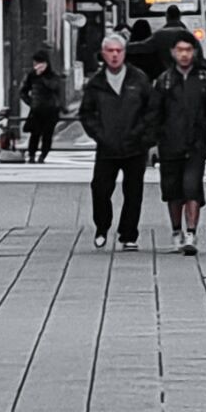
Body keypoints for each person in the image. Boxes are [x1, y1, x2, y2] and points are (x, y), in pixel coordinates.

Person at [72, 28, 162, 249]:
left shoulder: (138, 79)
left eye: (119, 50)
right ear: (103, 54)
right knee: (100, 188)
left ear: (125, 53)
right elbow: (86, 113)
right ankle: (102, 225)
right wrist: (99, 134)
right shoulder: (96, 83)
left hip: (135, 146)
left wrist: (145, 137)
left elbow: (152, 111)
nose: (114, 55)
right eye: (110, 51)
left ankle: (128, 234)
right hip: (107, 146)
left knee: (133, 192)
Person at [158, 41, 206, 253]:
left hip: (196, 141)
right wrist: (152, 142)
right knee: (172, 190)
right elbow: (155, 112)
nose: (184, 54)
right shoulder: (165, 80)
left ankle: (191, 232)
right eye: (180, 50)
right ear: (172, 53)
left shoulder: (204, 80)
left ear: (194, 52)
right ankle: (176, 230)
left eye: (188, 50)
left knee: (192, 186)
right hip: (169, 142)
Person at [16, 57, 66, 164]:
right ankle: (31, 155)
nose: (38, 66)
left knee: (47, 135)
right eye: (36, 63)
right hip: (37, 111)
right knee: (35, 134)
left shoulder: (53, 76)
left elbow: (55, 87)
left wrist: (42, 76)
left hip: (51, 110)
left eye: (41, 63)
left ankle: (43, 155)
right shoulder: (31, 76)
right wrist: (31, 103)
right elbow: (23, 91)